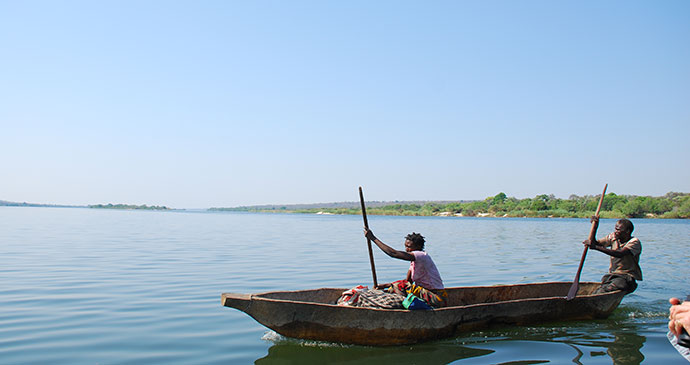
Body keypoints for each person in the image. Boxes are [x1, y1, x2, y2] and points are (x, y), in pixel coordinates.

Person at [364, 228, 446, 306]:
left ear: (418, 247)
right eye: (405, 246)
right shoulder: (414, 263)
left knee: (399, 285)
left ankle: (404, 307)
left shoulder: (421, 255)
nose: (407, 250)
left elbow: (393, 254)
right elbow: (408, 282)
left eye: (409, 247)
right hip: (425, 294)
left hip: (436, 297)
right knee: (394, 288)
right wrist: (385, 286)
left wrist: (373, 238)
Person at [583, 217, 642, 294]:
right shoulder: (613, 237)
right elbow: (594, 243)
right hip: (613, 275)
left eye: (618, 230)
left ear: (627, 231)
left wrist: (595, 247)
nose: (616, 231)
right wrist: (595, 228)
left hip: (626, 276)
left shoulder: (634, 242)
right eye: (615, 229)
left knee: (610, 288)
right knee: (601, 289)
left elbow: (619, 254)